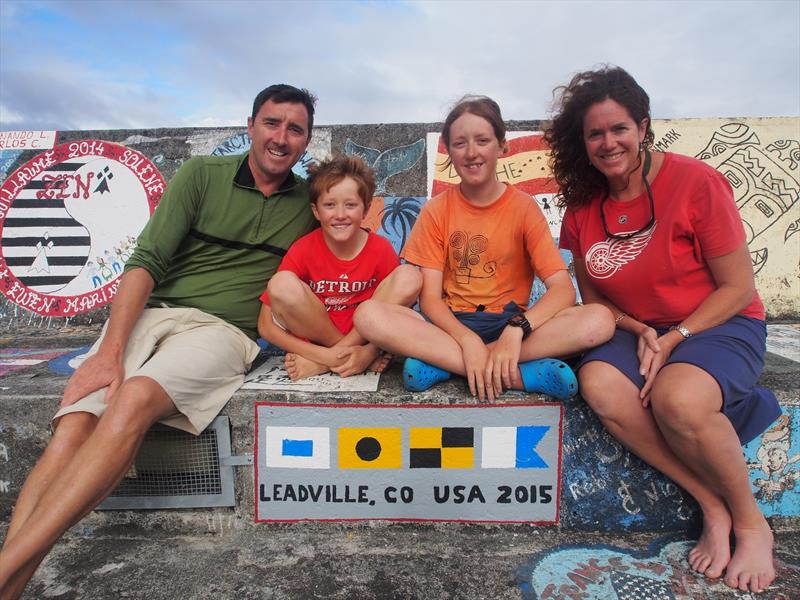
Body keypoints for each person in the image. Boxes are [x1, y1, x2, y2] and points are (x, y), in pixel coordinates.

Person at [0, 84, 319, 599]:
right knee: (76, 420)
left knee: (134, 399)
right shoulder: (200, 175)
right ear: (250, 125)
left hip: (222, 332)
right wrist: (108, 352)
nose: (281, 138)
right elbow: (146, 261)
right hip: (152, 314)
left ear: (307, 142)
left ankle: (4, 571)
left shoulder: (309, 202)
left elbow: (350, 250)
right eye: (272, 123)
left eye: (295, 129)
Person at [546, 66, 781, 594]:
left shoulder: (697, 183)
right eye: (595, 134)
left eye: (619, 129)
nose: (609, 143)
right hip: (636, 330)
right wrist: (642, 332)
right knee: (600, 385)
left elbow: (738, 287)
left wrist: (676, 338)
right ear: (581, 142)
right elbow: (595, 296)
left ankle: (750, 522)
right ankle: (711, 504)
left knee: (678, 399)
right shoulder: (583, 205)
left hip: (718, 323)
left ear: (643, 126)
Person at [355, 95, 614, 402]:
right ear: (449, 152)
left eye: (482, 140)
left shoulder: (523, 208)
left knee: (599, 320)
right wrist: (467, 341)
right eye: (460, 143)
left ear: (501, 146)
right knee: (369, 315)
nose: (472, 152)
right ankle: (519, 374)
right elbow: (429, 301)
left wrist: (516, 331)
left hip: (510, 325)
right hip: (451, 328)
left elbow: (562, 290)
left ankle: (447, 365)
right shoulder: (437, 210)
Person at [258, 155, 421, 380]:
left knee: (409, 276)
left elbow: (398, 312)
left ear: (365, 210)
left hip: (365, 335)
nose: (341, 215)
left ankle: (329, 362)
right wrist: (325, 354)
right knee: (281, 283)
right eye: (330, 205)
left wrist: (369, 349)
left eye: (351, 205)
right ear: (316, 211)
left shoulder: (380, 249)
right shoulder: (303, 248)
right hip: (319, 335)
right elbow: (265, 326)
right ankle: (345, 359)